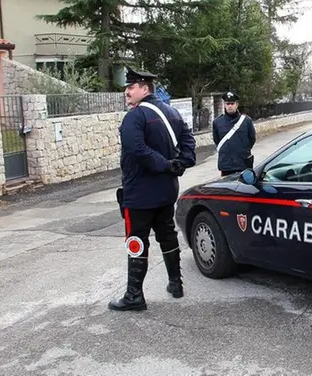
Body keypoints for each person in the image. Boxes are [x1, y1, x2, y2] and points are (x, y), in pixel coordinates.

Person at [110, 67, 196, 312]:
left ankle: (134, 296)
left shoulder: (135, 117)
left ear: (144, 89)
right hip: (166, 191)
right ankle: (175, 284)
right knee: (167, 235)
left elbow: (136, 149)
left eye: (131, 87)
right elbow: (189, 141)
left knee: (137, 240)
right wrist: (180, 163)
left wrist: (166, 164)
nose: (127, 92)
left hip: (139, 194)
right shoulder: (173, 113)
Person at [212, 91, 256, 177]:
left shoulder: (246, 121)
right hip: (226, 165)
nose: (230, 106)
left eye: (232, 103)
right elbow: (216, 140)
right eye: (227, 104)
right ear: (224, 105)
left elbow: (252, 139)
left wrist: (242, 150)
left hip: (243, 164)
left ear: (237, 105)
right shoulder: (217, 122)